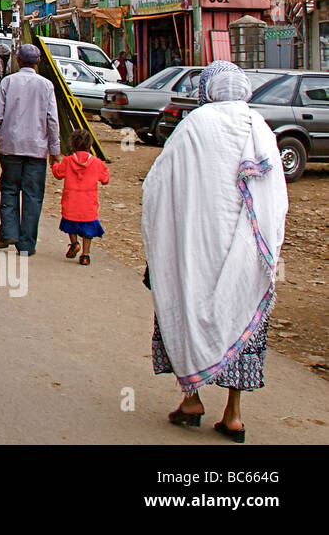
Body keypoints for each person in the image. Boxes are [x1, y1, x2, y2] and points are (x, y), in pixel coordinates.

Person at [142, 61, 286, 443]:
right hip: (244, 249)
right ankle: (234, 415)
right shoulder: (259, 126)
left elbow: (159, 182)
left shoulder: (195, 125)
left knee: (186, 306)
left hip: (195, 244)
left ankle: (191, 400)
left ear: (208, 89)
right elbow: (275, 195)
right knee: (239, 316)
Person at [0, 43, 61, 256]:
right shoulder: (46, 85)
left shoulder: (8, 82)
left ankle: (9, 231)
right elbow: (52, 120)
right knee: (33, 195)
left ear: (18, 60)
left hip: (10, 145)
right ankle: (27, 244)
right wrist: (55, 151)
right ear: (37, 62)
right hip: (36, 149)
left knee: (9, 189)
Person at [52, 128, 109, 265]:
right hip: (89, 203)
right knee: (88, 229)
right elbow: (105, 179)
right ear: (90, 145)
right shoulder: (96, 163)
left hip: (71, 201)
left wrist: (54, 164)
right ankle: (85, 255)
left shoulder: (68, 161)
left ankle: (74, 243)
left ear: (73, 144)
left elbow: (58, 174)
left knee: (70, 224)